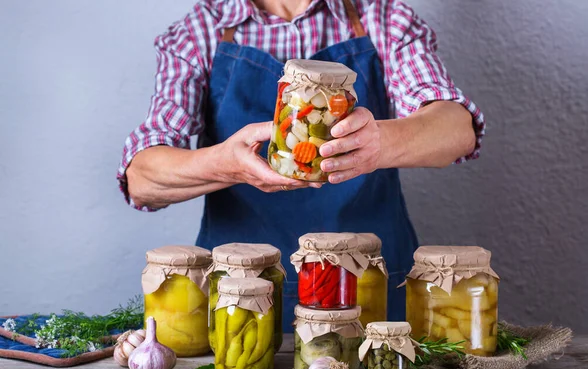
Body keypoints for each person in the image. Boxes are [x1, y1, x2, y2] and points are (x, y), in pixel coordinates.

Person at [117, 0, 485, 330]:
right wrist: (224, 165)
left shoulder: (383, 17)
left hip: (370, 290)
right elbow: (142, 178)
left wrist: (378, 144)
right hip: (239, 295)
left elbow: (457, 129)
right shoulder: (200, 30)